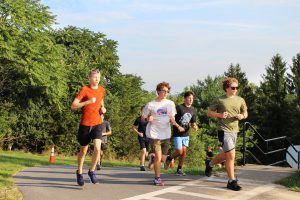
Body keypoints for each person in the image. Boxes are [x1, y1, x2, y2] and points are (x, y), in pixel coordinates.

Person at [206, 77, 248, 191]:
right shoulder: (220, 100)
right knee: (231, 156)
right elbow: (209, 113)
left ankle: (210, 164)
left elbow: (245, 113)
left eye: (236, 87)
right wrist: (220, 115)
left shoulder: (240, 100)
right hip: (223, 130)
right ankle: (231, 181)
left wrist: (242, 116)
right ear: (227, 88)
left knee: (226, 155)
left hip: (235, 130)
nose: (235, 89)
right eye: (233, 87)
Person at [71, 69, 106, 186]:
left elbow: (101, 102)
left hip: (97, 124)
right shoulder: (84, 89)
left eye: (98, 77)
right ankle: (79, 172)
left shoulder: (101, 90)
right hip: (85, 125)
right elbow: (74, 105)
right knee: (83, 150)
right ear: (89, 78)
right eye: (95, 77)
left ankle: (92, 171)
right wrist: (88, 102)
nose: (97, 80)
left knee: (97, 147)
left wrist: (103, 109)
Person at [142, 82, 177, 186]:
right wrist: (148, 118)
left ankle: (153, 159)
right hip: (154, 134)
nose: (166, 93)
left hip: (166, 134)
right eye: (164, 91)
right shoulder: (151, 104)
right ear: (158, 91)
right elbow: (143, 118)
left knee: (163, 158)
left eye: (168, 91)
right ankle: (157, 178)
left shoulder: (170, 104)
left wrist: (172, 121)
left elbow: (172, 117)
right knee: (158, 156)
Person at [164, 91, 198, 176]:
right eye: (189, 98)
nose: (191, 100)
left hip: (186, 134)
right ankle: (169, 158)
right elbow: (171, 119)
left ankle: (179, 169)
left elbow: (193, 122)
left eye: (192, 98)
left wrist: (194, 126)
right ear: (185, 98)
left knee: (184, 152)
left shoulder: (193, 109)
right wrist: (178, 126)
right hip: (177, 133)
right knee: (179, 151)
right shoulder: (179, 107)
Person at [132, 106, 149, 171]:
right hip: (141, 137)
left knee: (146, 154)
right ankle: (142, 165)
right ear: (141, 111)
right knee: (144, 151)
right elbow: (133, 127)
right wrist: (138, 133)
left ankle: (149, 161)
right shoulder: (138, 119)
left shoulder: (149, 119)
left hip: (148, 137)